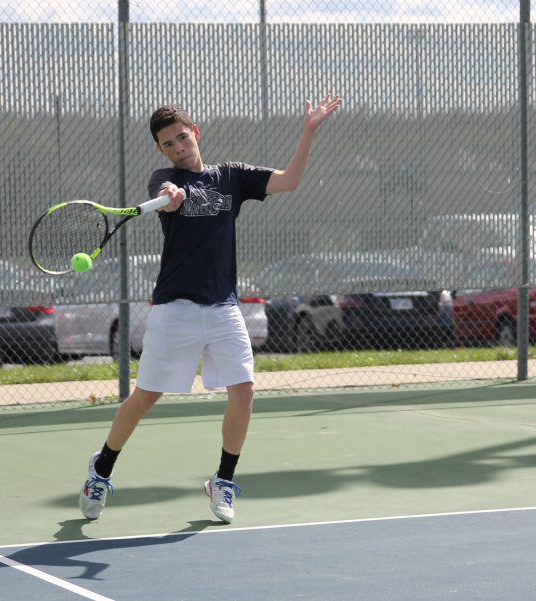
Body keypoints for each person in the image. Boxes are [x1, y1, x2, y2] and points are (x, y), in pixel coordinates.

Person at [79, 95, 342, 523]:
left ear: (195, 133)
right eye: (169, 143)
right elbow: (165, 192)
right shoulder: (162, 178)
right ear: (161, 151)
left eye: (183, 137)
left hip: (222, 306)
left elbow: (290, 181)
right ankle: (101, 468)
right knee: (145, 397)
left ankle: (223, 480)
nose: (179, 147)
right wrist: (172, 195)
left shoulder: (233, 177)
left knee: (244, 389)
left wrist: (309, 130)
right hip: (174, 308)